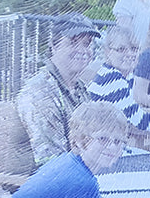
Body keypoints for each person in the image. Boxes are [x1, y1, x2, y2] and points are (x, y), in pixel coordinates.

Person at [0, 102, 144, 198]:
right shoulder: (82, 182)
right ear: (79, 140)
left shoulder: (69, 161)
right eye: (103, 139)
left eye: (118, 141)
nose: (112, 147)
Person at [16, 13, 99, 165]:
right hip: (40, 181)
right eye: (73, 43)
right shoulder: (39, 92)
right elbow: (51, 161)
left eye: (87, 44)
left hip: (75, 170)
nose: (82, 50)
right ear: (54, 46)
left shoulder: (80, 89)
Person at [89, 26, 150, 148]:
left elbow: (133, 112)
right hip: (100, 147)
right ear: (107, 52)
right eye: (121, 49)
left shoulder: (126, 76)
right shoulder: (112, 79)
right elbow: (141, 123)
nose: (129, 54)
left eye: (134, 49)